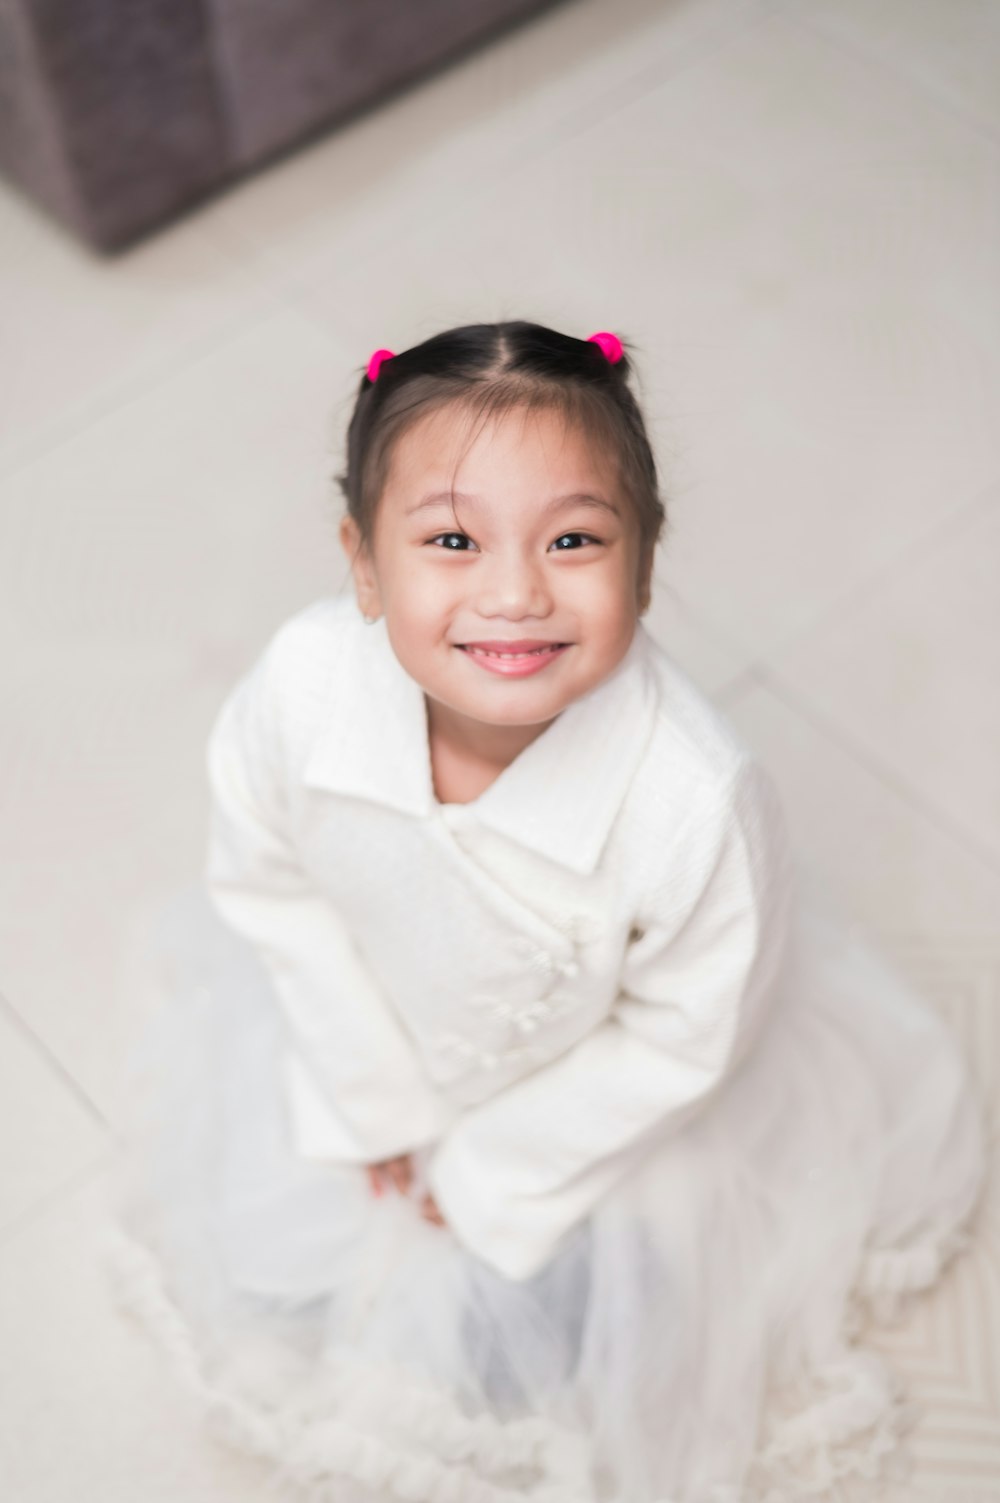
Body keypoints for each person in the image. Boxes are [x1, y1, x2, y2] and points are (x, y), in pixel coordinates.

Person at [104, 321, 986, 1503]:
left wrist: (486, 1173)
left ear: (647, 563)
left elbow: (684, 1039)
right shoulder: (303, 688)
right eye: (452, 539)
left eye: (574, 539)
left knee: (586, 1311)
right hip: (375, 1016)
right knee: (293, 1233)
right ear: (363, 564)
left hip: (601, 1107)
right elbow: (269, 882)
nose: (514, 592)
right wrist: (377, 1099)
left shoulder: (693, 805)